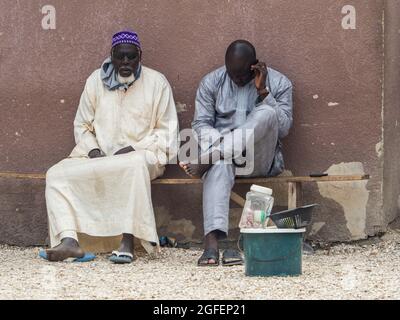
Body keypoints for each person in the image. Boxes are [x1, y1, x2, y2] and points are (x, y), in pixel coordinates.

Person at [45, 30, 179, 264]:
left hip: (143, 156)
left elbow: (167, 132)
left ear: (140, 57)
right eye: (120, 58)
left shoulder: (157, 82)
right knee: (56, 174)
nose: (126, 63)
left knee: (133, 165)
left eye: (131, 58)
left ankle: (127, 241)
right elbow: (82, 124)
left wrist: (134, 148)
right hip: (99, 156)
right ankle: (69, 240)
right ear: (112, 56)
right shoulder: (95, 80)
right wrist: (93, 150)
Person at [180, 40, 293, 266]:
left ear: (254, 66)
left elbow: (283, 128)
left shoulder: (280, 83)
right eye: (232, 74)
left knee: (268, 113)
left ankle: (215, 155)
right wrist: (225, 146)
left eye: (242, 75)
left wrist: (263, 92)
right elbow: (200, 125)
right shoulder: (211, 82)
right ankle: (211, 244)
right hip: (222, 154)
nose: (237, 80)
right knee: (220, 162)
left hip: (259, 157)